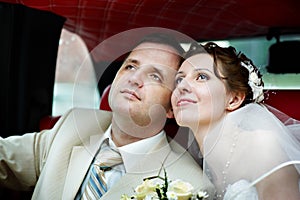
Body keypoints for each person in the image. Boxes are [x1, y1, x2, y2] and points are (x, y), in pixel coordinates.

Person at [0, 33, 215, 199]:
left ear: (172, 107)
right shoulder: (73, 124)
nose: (134, 78)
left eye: (155, 76)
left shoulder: (190, 187)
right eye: (130, 66)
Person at [171, 42, 300, 199]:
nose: (182, 87)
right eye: (179, 79)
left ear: (234, 99)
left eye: (201, 77)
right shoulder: (192, 163)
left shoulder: (262, 146)